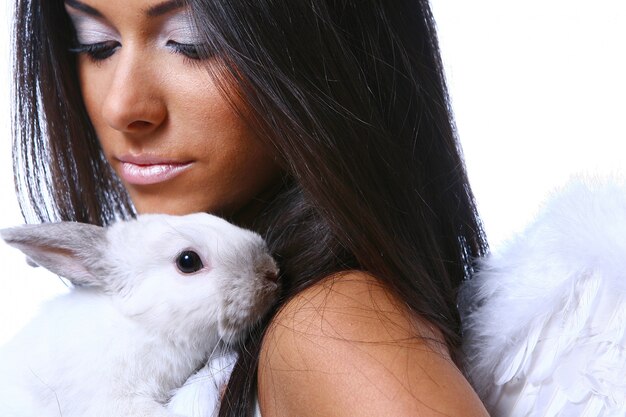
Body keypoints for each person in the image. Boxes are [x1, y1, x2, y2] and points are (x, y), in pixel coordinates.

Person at [12, 0, 490, 416]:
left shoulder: (331, 331)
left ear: (324, 52)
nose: (122, 106)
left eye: (190, 41)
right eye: (96, 44)